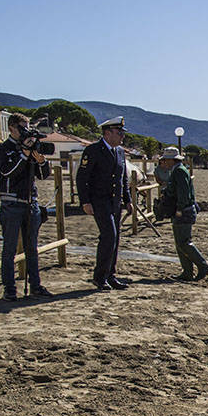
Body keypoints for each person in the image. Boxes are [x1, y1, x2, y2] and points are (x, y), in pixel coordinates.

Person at [0, 113, 53, 301]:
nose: (26, 130)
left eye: (28, 126)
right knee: (9, 249)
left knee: (32, 249)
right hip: (12, 204)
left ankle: (35, 285)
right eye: (22, 126)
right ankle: (9, 288)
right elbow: (8, 171)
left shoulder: (29, 147)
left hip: (31, 204)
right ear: (12, 128)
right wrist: (23, 154)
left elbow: (43, 176)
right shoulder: (3, 149)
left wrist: (42, 161)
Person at [76, 116, 133, 291]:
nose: (122, 136)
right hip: (99, 201)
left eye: (122, 133)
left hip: (115, 202)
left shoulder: (120, 152)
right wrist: (85, 201)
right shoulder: (93, 150)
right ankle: (100, 277)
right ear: (107, 133)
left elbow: (122, 179)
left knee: (115, 239)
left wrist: (127, 200)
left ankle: (110, 275)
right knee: (108, 236)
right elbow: (82, 178)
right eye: (119, 132)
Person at [158, 146, 208, 281]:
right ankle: (187, 271)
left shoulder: (179, 172)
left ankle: (202, 266)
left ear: (171, 160)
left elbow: (183, 193)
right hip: (182, 209)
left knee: (184, 242)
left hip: (183, 211)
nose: (164, 162)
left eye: (166, 160)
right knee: (180, 242)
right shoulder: (178, 170)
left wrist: (180, 209)